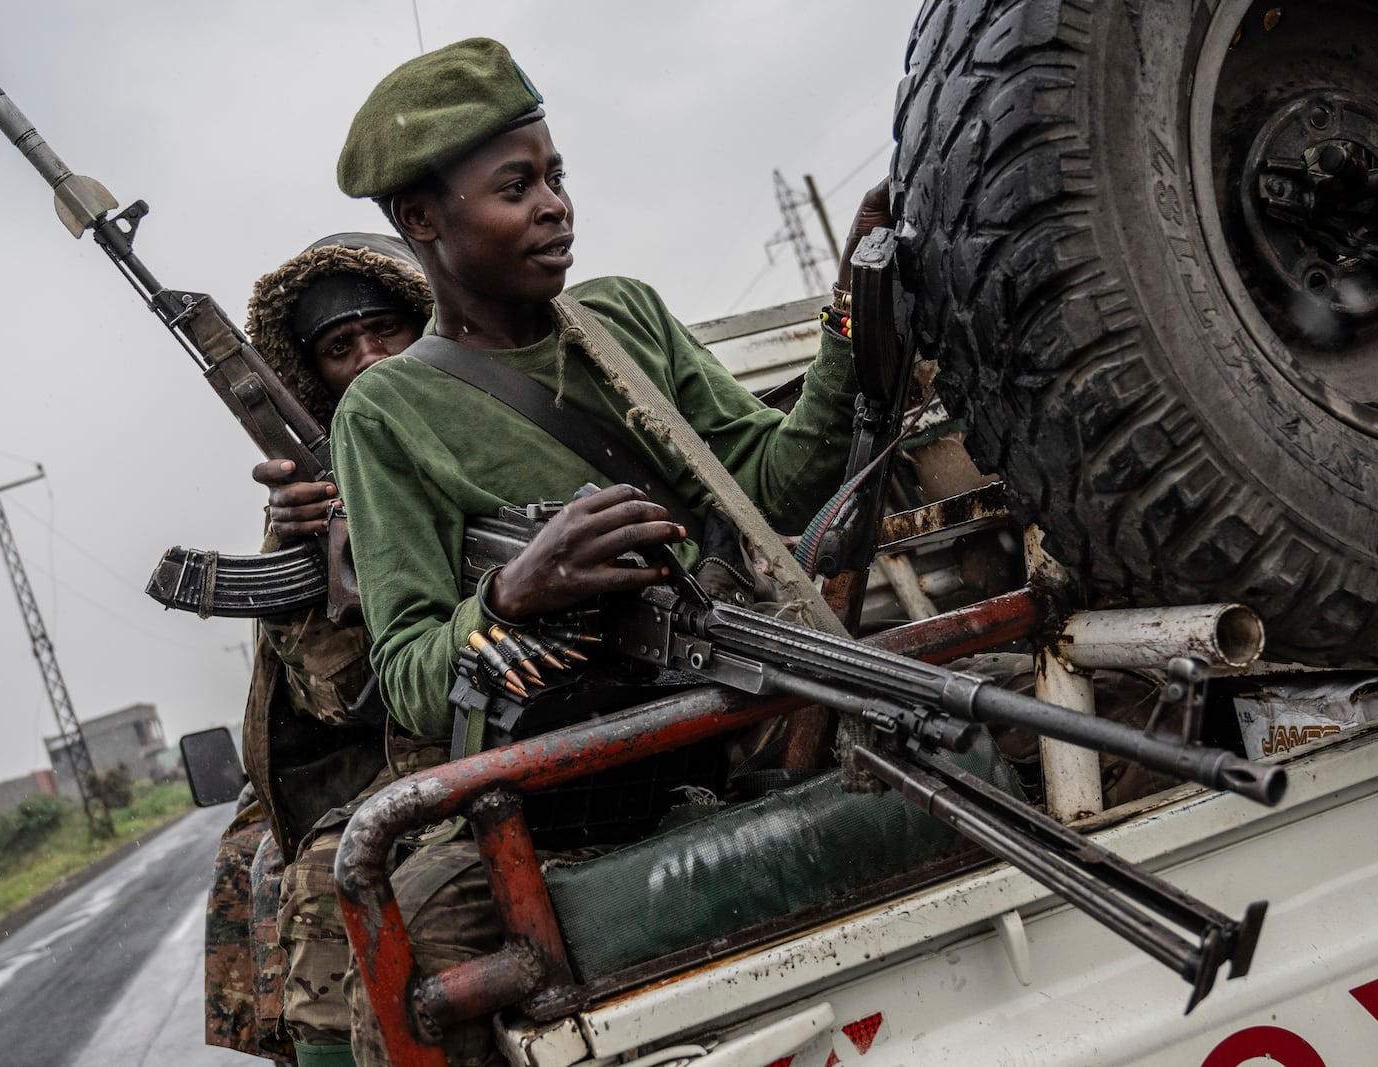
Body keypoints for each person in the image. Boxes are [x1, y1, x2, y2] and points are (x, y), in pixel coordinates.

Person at [326, 38, 891, 1065]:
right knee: (416, 963)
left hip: (729, 716)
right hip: (561, 801)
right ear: (422, 220)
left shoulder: (621, 317)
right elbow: (409, 671)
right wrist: (511, 593)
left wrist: (853, 311)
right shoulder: (385, 409)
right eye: (515, 186)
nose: (554, 205)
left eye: (555, 176)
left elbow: (768, 480)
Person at [202, 232, 432, 1067]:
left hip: (476, 728)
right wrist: (300, 554)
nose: (370, 359)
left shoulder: (500, 409)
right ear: (314, 378)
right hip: (392, 738)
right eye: (341, 347)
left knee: (315, 876)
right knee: (254, 854)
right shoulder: (326, 495)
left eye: (388, 330)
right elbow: (340, 698)